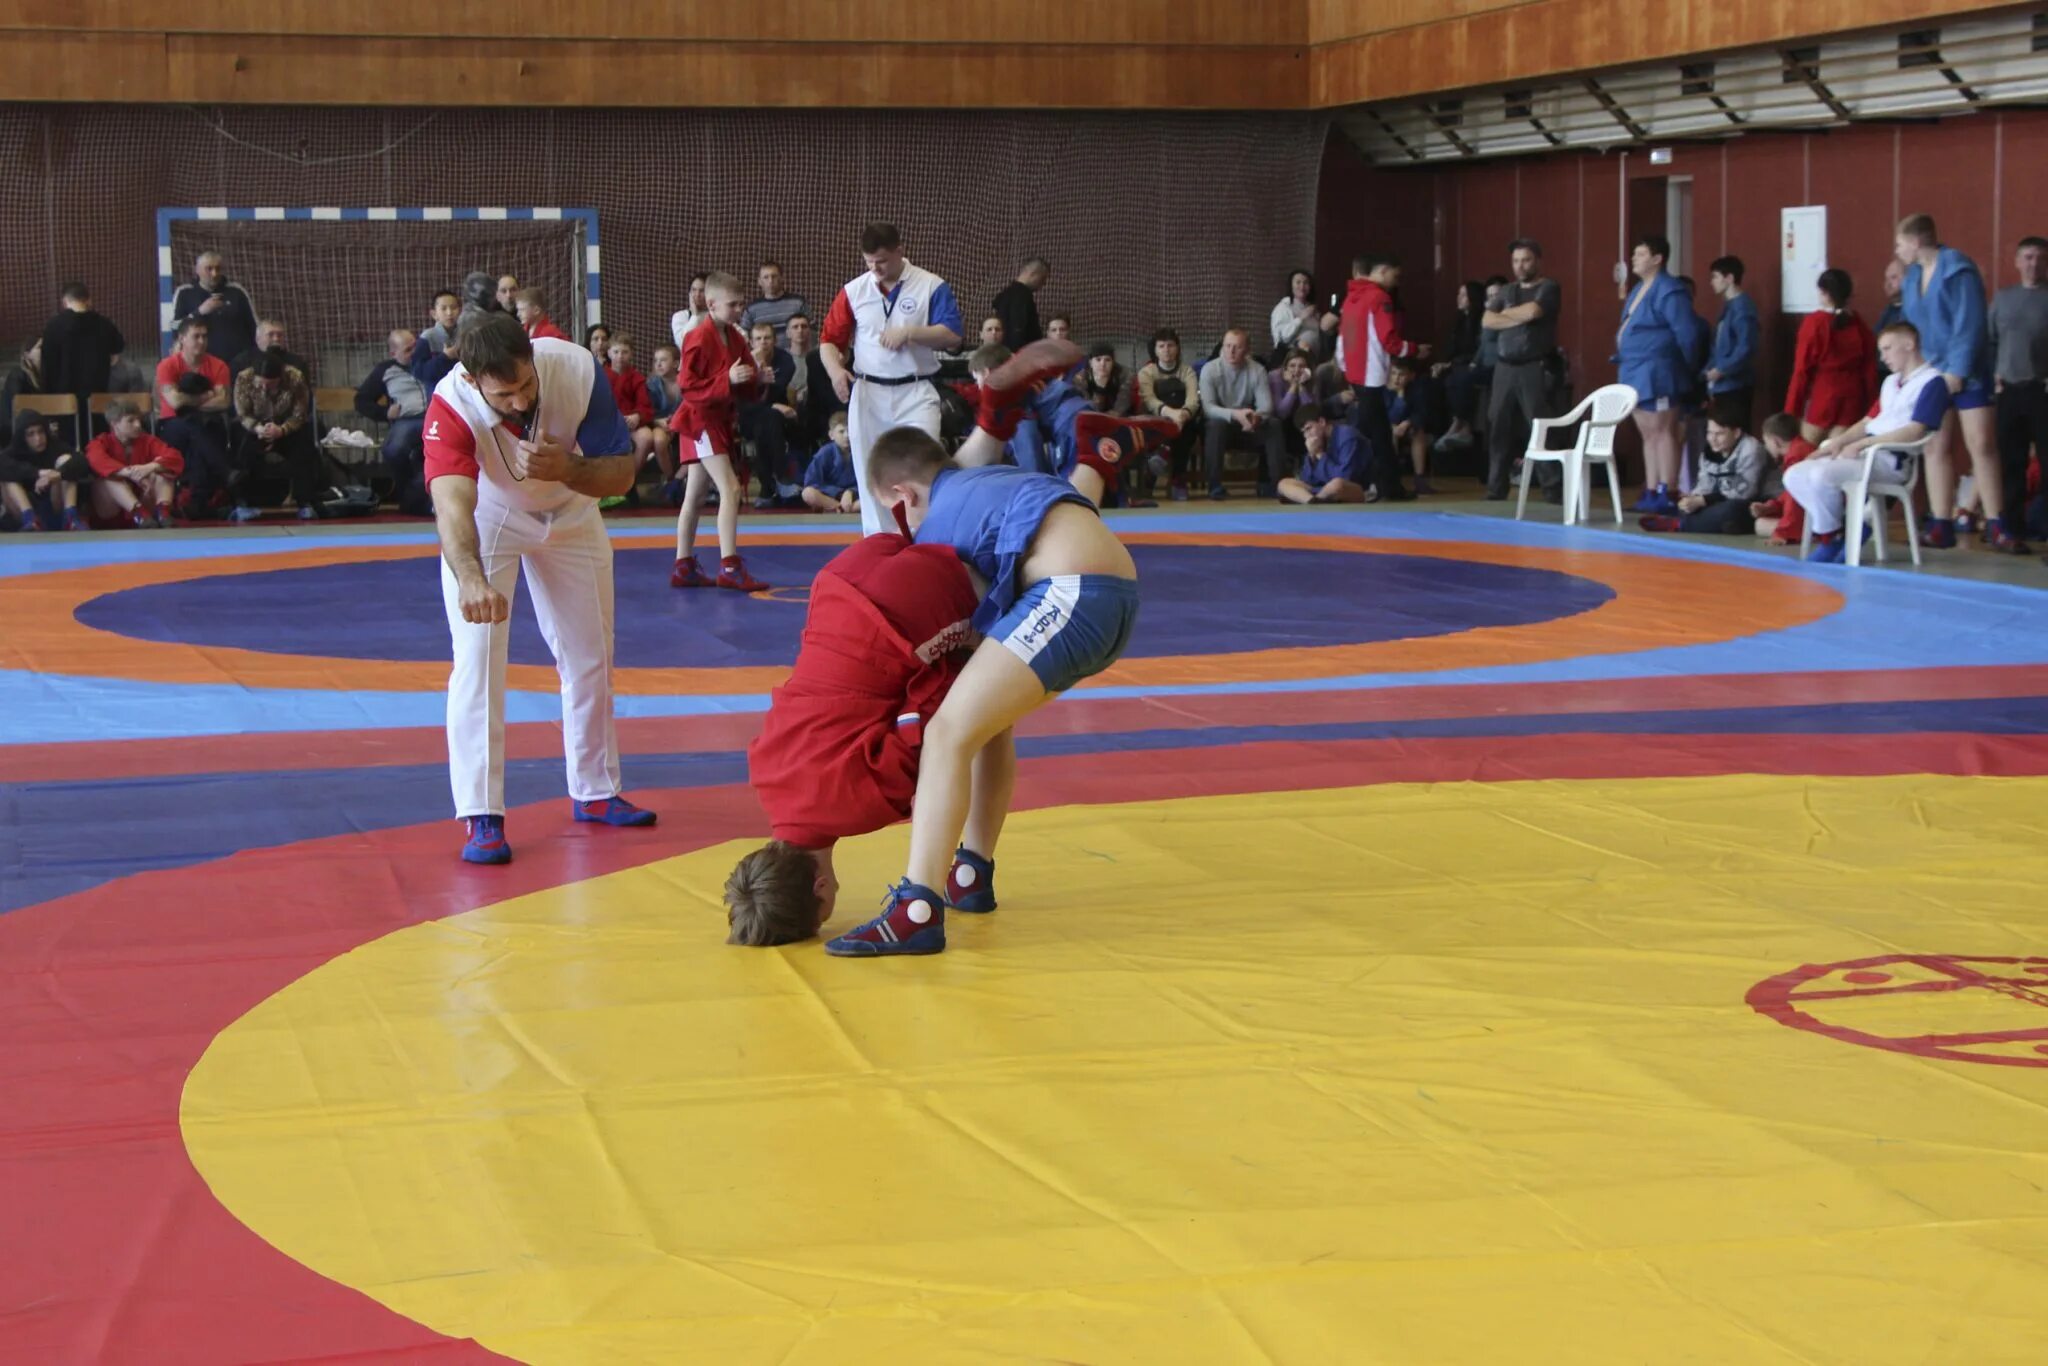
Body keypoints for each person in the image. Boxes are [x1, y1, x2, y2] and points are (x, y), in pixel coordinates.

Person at [827, 415, 1140, 957]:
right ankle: (971, 872)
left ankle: (917, 909)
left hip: (1072, 594)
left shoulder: (939, 524)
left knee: (947, 733)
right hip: (1109, 595)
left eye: (892, 511)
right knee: (983, 722)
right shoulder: (988, 482)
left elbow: (946, 615)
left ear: (903, 494)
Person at [423, 311, 655, 863]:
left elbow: (622, 476)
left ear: (533, 355)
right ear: (473, 379)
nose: (522, 402)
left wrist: (569, 470)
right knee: (478, 656)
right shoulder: (450, 405)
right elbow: (453, 505)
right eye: (505, 394)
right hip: (491, 518)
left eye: (527, 384)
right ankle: (483, 813)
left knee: (591, 652)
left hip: (572, 511)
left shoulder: (574, 366)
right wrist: (471, 578)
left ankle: (596, 790)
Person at [725, 529, 980, 946]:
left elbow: (931, 720)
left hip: (908, 612)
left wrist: (965, 660)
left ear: (819, 889)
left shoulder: (859, 807)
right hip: (840, 578)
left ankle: (978, 867)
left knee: (990, 683)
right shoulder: (762, 776)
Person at [818, 223, 963, 535]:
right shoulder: (854, 291)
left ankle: (926, 537)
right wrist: (835, 371)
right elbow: (829, 340)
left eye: (881, 261)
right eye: (869, 261)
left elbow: (952, 336)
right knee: (870, 470)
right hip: (868, 391)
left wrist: (911, 332)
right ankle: (879, 542)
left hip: (916, 389)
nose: (875, 268)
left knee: (923, 467)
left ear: (900, 251)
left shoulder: (930, 286)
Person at [1897, 213, 2019, 551]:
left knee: (1981, 443)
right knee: (1935, 445)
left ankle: (1997, 523)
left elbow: (1970, 324)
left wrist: (1958, 371)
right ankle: (1941, 522)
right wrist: (1913, 368)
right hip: (1931, 368)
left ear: (1916, 241)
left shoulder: (1957, 269)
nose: (1898, 250)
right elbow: (1910, 325)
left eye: (1900, 243)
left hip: (1967, 369)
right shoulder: (1913, 277)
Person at [1784, 321, 1951, 563]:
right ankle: (1833, 534)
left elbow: (1916, 431)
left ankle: (1838, 533)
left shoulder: (1932, 382)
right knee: (1795, 475)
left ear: (1909, 344)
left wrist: (1864, 445)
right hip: (1864, 454)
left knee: (1822, 476)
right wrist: (1837, 442)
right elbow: (1866, 422)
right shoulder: (1890, 383)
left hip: (1891, 459)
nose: (1883, 357)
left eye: (1887, 349)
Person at [965, 341, 1176, 508]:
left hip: (1070, 427)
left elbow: (1028, 442)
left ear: (986, 373)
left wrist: (1037, 489)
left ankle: (1115, 498)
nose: (978, 386)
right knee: (1102, 455)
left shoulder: (1012, 397)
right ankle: (1121, 498)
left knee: (1069, 502)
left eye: (977, 380)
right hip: (1082, 413)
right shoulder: (1031, 380)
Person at [669, 272, 772, 592]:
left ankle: (683, 565)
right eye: (733, 304)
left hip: (716, 419)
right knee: (729, 488)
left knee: (696, 495)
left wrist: (758, 378)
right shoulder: (697, 337)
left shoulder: (733, 335)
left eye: (742, 303)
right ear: (711, 304)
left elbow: (744, 377)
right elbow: (686, 386)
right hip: (700, 419)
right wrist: (727, 380)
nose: (740, 309)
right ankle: (730, 565)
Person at [1613, 233, 1706, 514]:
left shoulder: (1669, 289)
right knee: (1647, 434)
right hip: (1634, 370)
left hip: (1658, 370)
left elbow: (1686, 333)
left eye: (1640, 254)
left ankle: (1668, 489)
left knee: (1663, 431)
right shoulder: (1638, 289)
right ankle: (1651, 489)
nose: (1634, 259)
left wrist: (1688, 368)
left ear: (1657, 259)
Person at [1338, 254, 1424, 501]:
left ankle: (1367, 484)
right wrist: (1415, 350)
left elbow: (1343, 341)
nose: (1396, 282)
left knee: (1369, 433)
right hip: (1372, 375)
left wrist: (1347, 370)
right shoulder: (1379, 298)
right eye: (1395, 276)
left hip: (1356, 375)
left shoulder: (1351, 299)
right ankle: (1385, 488)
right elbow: (1390, 341)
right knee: (1379, 437)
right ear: (1383, 271)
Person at [1483, 248, 1561, 499]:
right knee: (1498, 425)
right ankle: (1496, 487)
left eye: (1526, 260)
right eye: (1516, 261)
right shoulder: (1506, 291)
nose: (1521, 265)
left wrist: (1505, 316)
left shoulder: (1548, 287)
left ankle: (1552, 488)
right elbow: (1487, 320)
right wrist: (1519, 316)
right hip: (1504, 366)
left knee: (1539, 426)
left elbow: (1534, 312)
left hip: (1533, 365)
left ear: (1538, 260)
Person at [155, 317, 249, 521]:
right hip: (172, 425)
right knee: (190, 424)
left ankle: (196, 505)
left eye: (205, 336)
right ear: (182, 339)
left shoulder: (218, 366)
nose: (201, 341)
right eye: (195, 336)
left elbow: (223, 403)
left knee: (199, 436)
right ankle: (224, 471)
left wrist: (190, 402)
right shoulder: (167, 365)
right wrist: (206, 396)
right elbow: (175, 403)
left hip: (207, 424)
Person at [1989, 236, 2048, 544]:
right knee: (2012, 462)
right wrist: (1995, 374)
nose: (2033, 263)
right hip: (2009, 391)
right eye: (2027, 257)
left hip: (2042, 390)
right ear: (2017, 261)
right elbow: (1991, 340)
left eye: (2039, 257)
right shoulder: (2003, 298)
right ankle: (2012, 529)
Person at [1639, 405, 1768, 535]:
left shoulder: (1751, 450)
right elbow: (1704, 485)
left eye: (1719, 434)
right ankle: (1716, 524)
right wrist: (1692, 499)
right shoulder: (1709, 451)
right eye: (1709, 433)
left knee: (1732, 510)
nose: (1713, 439)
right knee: (1688, 507)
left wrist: (1703, 500)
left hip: (1755, 503)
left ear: (1736, 433)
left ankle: (1680, 524)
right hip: (1718, 502)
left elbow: (1744, 493)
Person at [1784, 269, 1877, 446]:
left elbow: (1801, 370)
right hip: (1852, 398)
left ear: (1824, 293)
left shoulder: (1815, 323)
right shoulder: (1859, 324)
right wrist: (1870, 407)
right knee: (1837, 457)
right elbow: (1869, 371)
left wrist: (1791, 411)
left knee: (1804, 454)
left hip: (1823, 395)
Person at [234, 347, 324, 520]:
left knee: (304, 446)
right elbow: (242, 413)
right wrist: (258, 428)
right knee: (242, 446)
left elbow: (300, 415)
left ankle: (304, 501)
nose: (265, 388)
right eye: (261, 383)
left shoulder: (295, 377)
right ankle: (242, 502)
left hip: (286, 427)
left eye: (270, 384)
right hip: (255, 427)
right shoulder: (243, 378)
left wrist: (281, 430)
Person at [1198, 328, 1286, 500]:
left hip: (1248, 424)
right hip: (1222, 424)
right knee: (1215, 425)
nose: (1231, 351)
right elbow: (1208, 408)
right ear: (1222, 347)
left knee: (1274, 425)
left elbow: (1266, 406)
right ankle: (1214, 486)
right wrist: (1235, 414)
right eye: (1227, 346)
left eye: (1237, 347)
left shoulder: (1257, 370)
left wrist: (1256, 417)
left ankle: (1275, 485)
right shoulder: (1209, 369)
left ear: (1246, 350)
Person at [355, 328, 431, 515]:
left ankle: (418, 499)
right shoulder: (385, 370)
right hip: (406, 420)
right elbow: (361, 400)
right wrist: (385, 413)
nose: (414, 353)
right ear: (393, 353)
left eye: (416, 347)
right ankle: (407, 490)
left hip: (433, 418)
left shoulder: (431, 364)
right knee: (393, 450)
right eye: (407, 350)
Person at [84, 400, 182, 527]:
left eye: (139, 420)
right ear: (115, 424)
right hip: (110, 510)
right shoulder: (101, 442)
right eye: (131, 421)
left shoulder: (148, 440)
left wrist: (150, 467)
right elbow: (97, 460)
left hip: (147, 504)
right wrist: (131, 474)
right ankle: (138, 513)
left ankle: (163, 513)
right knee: (110, 478)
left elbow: (175, 457)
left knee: (162, 469)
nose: (138, 425)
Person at [738, 320, 802, 507]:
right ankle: (779, 480)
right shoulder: (742, 363)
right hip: (749, 417)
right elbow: (742, 402)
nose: (763, 343)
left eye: (767, 338)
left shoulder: (785, 360)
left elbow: (775, 390)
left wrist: (772, 404)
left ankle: (767, 488)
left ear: (775, 340)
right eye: (758, 339)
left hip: (779, 418)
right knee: (765, 421)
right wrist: (755, 370)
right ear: (751, 342)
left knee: (768, 421)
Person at [39, 281, 125, 419]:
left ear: (65, 301)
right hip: (97, 397)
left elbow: (48, 365)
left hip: (64, 401)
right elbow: (117, 349)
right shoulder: (104, 324)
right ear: (88, 299)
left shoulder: (53, 326)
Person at [1137, 328, 1202, 500]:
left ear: (1178, 348)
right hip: (1156, 419)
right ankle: (1155, 476)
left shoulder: (1187, 371)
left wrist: (1183, 415)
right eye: (1162, 346)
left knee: (1187, 430)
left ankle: (1173, 475)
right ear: (1155, 350)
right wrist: (1171, 414)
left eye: (1170, 345)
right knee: (1166, 428)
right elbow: (1149, 400)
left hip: (1183, 422)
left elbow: (1193, 399)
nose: (1166, 350)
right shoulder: (1146, 372)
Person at [0, 410, 88, 531]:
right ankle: (30, 520)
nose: (38, 438)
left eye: (40, 432)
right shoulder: (15, 450)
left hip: (55, 505)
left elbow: (82, 461)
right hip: (25, 509)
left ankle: (70, 518)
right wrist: (38, 473)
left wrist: (56, 475)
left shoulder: (56, 446)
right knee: (7, 475)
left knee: (66, 461)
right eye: (31, 434)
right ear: (23, 437)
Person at [604, 332, 668, 483]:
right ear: (608, 353)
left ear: (632, 353)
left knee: (646, 438)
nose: (620, 356)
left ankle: (627, 481)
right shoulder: (600, 376)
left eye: (625, 352)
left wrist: (637, 416)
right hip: (608, 423)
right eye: (616, 352)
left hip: (631, 422)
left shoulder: (637, 378)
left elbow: (645, 406)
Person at [171, 251, 257, 362]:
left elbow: (254, 327)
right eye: (209, 269)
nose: (214, 274)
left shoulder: (236, 291)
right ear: (197, 270)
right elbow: (175, 327)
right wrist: (199, 312)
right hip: (201, 362)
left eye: (218, 269)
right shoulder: (184, 293)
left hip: (238, 361)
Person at [1433, 279, 1487, 455]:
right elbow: (1452, 350)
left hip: (1477, 365)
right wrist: (1444, 363)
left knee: (1461, 377)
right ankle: (1450, 428)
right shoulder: (1459, 321)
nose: (1459, 298)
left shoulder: (1482, 320)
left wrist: (1453, 364)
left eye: (1463, 295)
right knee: (1442, 380)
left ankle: (1460, 424)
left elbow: (1478, 351)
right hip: (1458, 365)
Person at [1704, 256, 1758, 427]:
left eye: (1715, 277)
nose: (1712, 282)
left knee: (1733, 430)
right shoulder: (1728, 306)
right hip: (1722, 383)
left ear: (1729, 278)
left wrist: (1722, 369)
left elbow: (1746, 347)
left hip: (1735, 384)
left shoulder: (1742, 308)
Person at [1748, 411, 1816, 545]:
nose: (1766, 447)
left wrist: (1782, 533)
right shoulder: (1800, 449)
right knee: (1762, 522)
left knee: (1760, 525)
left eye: (1766, 442)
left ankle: (1813, 533)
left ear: (1776, 442)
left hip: (1813, 513)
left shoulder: (1796, 455)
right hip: (1812, 509)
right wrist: (1771, 507)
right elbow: (1790, 494)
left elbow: (1794, 498)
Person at [1276, 411, 1366, 504]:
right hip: (1322, 490)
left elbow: (1345, 476)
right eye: (1303, 432)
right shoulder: (1316, 441)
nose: (1307, 435)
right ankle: (1313, 501)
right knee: (1283, 484)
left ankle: (1314, 501)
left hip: (1351, 488)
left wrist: (1319, 454)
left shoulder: (1347, 435)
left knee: (1337, 484)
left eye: (1309, 428)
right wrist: (1312, 456)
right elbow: (1306, 481)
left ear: (1322, 422)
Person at [1386, 355, 1439, 495]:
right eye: (1393, 373)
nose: (1397, 378)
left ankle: (1420, 479)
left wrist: (1408, 422)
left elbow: (1421, 413)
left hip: (1408, 427)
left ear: (1411, 376)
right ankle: (1392, 478)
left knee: (1419, 433)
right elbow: (1386, 415)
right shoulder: (1384, 390)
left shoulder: (1417, 389)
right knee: (1390, 437)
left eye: (1401, 374)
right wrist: (1399, 397)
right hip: (1388, 427)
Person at [800, 411, 859, 514]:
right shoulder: (824, 453)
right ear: (831, 435)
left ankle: (842, 510)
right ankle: (839, 507)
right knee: (807, 493)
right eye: (841, 431)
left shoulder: (860, 452)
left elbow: (869, 483)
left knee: (876, 495)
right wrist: (839, 493)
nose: (847, 436)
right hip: (830, 497)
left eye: (850, 431)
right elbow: (811, 482)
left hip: (853, 498)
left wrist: (851, 491)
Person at [1271, 269, 1333, 363]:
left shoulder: (1312, 308)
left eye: (1306, 283)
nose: (1302, 286)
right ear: (1291, 286)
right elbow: (1282, 337)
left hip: (1313, 359)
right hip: (1291, 361)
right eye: (1298, 282)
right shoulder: (1283, 308)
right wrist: (1300, 318)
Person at [739, 260, 808, 344]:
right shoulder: (751, 308)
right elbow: (743, 336)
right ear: (759, 281)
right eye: (766, 277)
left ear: (782, 278)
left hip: (795, 355)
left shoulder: (798, 302)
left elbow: (813, 331)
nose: (770, 281)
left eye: (774, 276)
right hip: (764, 356)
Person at [991, 258, 1049, 350]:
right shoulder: (1023, 297)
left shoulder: (1004, 295)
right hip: (1021, 355)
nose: (1043, 283)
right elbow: (1018, 329)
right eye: (1043, 278)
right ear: (1033, 274)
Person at [231, 318, 310, 384]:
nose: (276, 339)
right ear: (258, 338)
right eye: (270, 335)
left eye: (280, 335)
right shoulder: (241, 362)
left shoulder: (297, 363)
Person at [412, 290, 464, 390]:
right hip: (437, 393)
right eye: (443, 308)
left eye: (453, 308)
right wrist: (445, 357)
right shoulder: (427, 337)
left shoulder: (467, 335)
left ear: (460, 311)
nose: (449, 313)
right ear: (434, 314)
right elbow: (418, 373)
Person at [670, 273, 709, 349]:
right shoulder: (680, 316)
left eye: (702, 291)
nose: (697, 295)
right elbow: (682, 344)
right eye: (694, 290)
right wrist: (694, 316)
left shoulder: (718, 316)